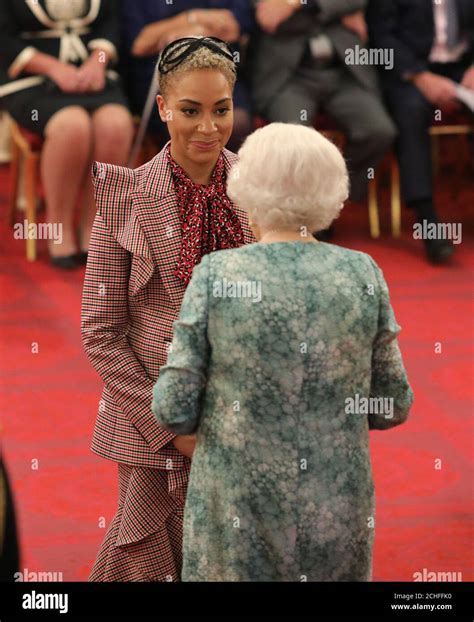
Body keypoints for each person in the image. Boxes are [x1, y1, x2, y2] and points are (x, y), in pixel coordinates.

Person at [152, 122, 414, 582]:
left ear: (247, 190)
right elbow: (392, 405)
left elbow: (172, 407)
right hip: (336, 505)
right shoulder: (362, 273)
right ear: (332, 192)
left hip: (236, 509)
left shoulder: (217, 274)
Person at [81, 36, 255, 582]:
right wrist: (169, 429)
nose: (208, 127)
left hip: (241, 419)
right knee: (145, 556)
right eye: (190, 110)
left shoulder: (257, 186)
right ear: (161, 107)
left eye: (221, 110)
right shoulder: (123, 195)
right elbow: (101, 332)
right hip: (148, 424)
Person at [0, 0, 134, 269]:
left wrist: (97, 62)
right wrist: (53, 68)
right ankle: (58, 229)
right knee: (72, 126)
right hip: (30, 81)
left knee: (116, 125)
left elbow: (111, 24)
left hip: (93, 74)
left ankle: (96, 228)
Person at [246, 0, 397, 204]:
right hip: (289, 77)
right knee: (293, 141)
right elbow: (267, 15)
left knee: (378, 130)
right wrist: (333, 14)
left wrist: (295, 5)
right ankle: (306, 212)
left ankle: (333, 200)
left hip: (344, 72)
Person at [367, 0, 474, 264]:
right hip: (410, 72)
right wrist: (418, 76)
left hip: (463, 67)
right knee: (410, 111)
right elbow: (381, 36)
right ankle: (428, 222)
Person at [120, 0, 255, 151]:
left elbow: (233, 28)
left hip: (219, 73)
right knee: (183, 119)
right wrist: (192, 18)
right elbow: (140, 43)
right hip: (163, 76)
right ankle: (186, 173)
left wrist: (192, 33)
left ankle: (221, 172)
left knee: (237, 122)